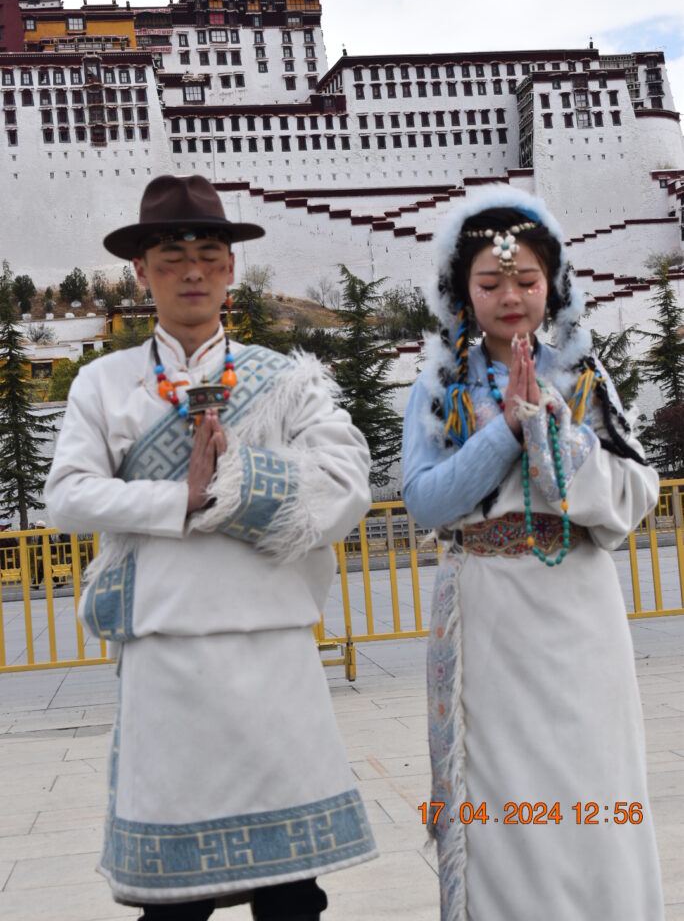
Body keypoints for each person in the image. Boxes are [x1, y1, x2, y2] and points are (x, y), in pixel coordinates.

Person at [44, 174, 377, 920]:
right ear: (142, 272)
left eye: (207, 257)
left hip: (274, 650)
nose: (191, 272)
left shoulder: (287, 381)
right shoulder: (105, 383)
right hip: (169, 656)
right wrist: (180, 499)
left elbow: (346, 481)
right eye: (171, 258)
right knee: (174, 900)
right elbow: (66, 496)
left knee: (293, 894)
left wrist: (239, 482)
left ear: (230, 269)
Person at [401, 186, 663, 921]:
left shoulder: (583, 378)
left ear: (554, 285)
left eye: (526, 280)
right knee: (501, 792)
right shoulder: (439, 388)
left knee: (591, 776)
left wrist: (559, 438)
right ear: (463, 291)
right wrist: (506, 434)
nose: (510, 297)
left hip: (578, 607)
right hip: (486, 611)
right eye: (490, 282)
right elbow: (425, 501)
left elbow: (637, 492)